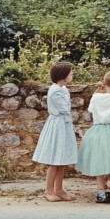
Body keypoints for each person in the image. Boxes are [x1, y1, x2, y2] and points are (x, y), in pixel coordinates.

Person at [75, 70, 110, 203]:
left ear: (103, 82)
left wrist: (97, 92)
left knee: (99, 162)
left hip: (98, 130)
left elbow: (90, 110)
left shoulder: (95, 97)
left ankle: (101, 192)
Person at [32, 61, 78, 202]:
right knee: (55, 159)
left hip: (63, 124)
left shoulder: (62, 89)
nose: (72, 75)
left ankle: (59, 189)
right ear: (63, 76)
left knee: (61, 159)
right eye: (70, 73)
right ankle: (48, 190)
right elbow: (64, 109)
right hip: (58, 125)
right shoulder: (56, 91)